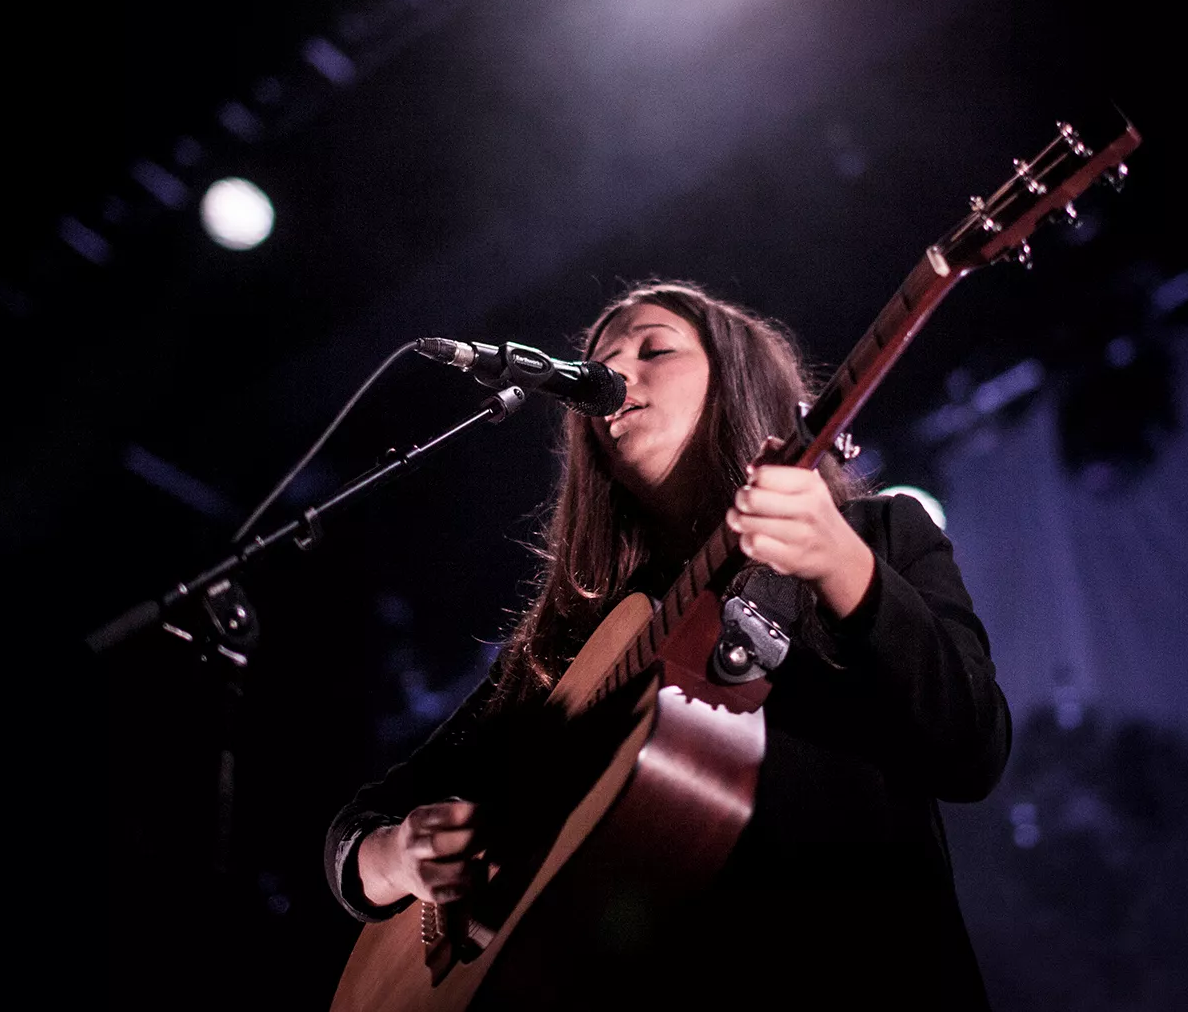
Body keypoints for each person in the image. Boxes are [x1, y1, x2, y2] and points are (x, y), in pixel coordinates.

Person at [325, 281, 1012, 1008]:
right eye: (601, 365)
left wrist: (843, 567)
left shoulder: (879, 537)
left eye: (656, 349)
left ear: (738, 382)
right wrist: (394, 857)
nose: (619, 378)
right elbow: (360, 826)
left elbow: (973, 750)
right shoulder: (570, 644)